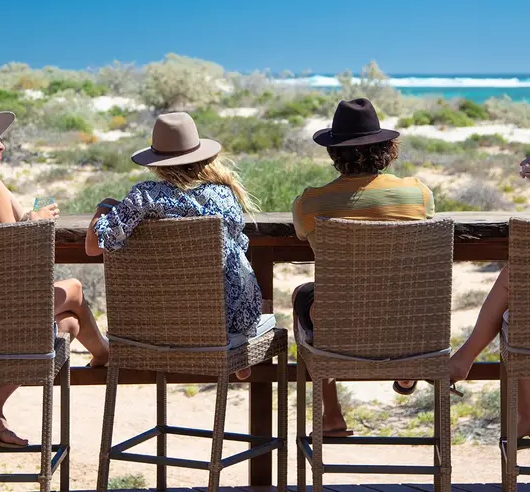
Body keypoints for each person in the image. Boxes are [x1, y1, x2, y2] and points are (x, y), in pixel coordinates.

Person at [0, 104, 109, 447]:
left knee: (68, 325)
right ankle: (104, 354)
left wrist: (29, 218)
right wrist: (39, 223)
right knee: (72, 289)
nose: (2, 145)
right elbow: (22, 263)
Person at [291, 97, 435, 436]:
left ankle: (333, 415)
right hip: (408, 320)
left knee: (303, 295)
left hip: (342, 321)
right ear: (387, 148)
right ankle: (406, 364)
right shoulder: (418, 195)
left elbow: (299, 234)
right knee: (399, 295)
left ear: (333, 152)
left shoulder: (310, 203)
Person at [85, 111, 263, 378]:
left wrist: (105, 206)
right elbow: (240, 245)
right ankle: (234, 353)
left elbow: (94, 245)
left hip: (162, 322)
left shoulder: (146, 196)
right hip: (231, 318)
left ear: (157, 162)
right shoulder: (225, 194)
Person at [449, 156, 530, 437]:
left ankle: (527, 414)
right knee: (515, 287)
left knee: (517, 314)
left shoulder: (312, 203)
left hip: (335, 346)